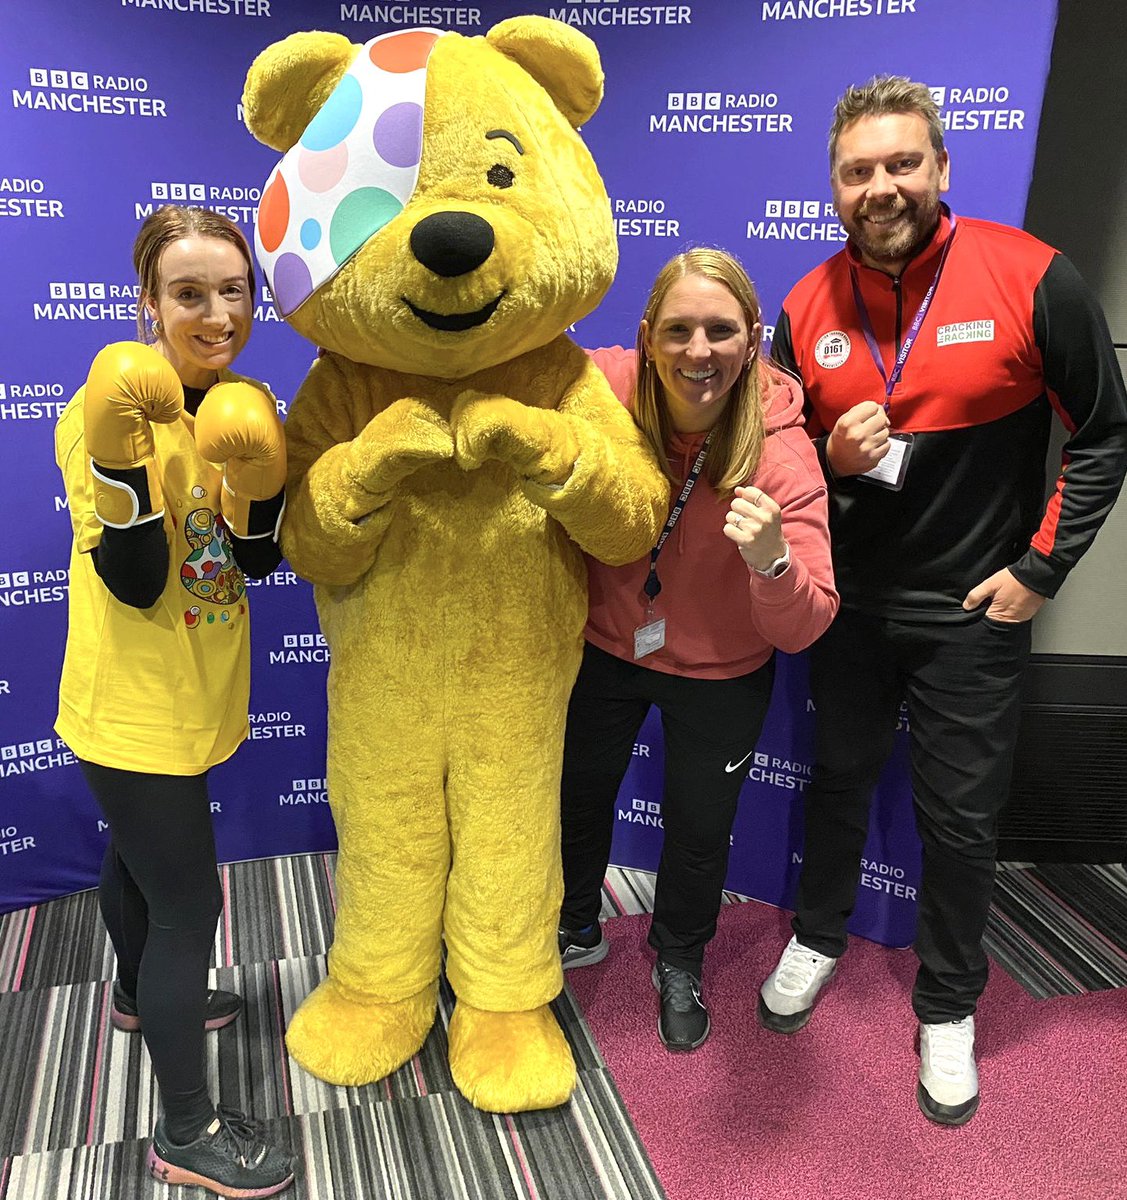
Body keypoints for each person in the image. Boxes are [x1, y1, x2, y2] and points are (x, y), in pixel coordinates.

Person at [758, 76, 1127, 1125]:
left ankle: (949, 1004)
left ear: (940, 170)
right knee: (835, 783)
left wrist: (1041, 571)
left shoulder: (1030, 276)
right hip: (850, 610)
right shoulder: (801, 305)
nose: (881, 187)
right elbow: (775, 462)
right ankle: (818, 935)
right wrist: (828, 458)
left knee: (959, 824)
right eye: (858, 170)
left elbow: (1102, 433)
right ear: (833, 186)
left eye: (901, 164)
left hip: (972, 611)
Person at [54, 205, 295, 1196]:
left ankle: (132, 993)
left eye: (232, 290)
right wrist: (122, 459)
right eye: (189, 293)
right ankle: (186, 1131)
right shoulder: (104, 410)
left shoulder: (243, 401)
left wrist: (266, 477)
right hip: (131, 708)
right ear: (147, 303)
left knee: (136, 864)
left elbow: (257, 561)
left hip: (195, 691)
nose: (215, 312)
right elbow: (138, 579)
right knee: (189, 901)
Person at [558, 248, 838, 1051]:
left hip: (721, 674)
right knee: (576, 798)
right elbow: (518, 355)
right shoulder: (604, 391)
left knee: (696, 828)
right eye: (677, 330)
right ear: (646, 337)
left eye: (719, 331)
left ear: (752, 339)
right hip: (607, 647)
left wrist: (772, 565)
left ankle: (678, 957)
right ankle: (576, 924)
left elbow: (808, 622)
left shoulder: (779, 453)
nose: (697, 351)